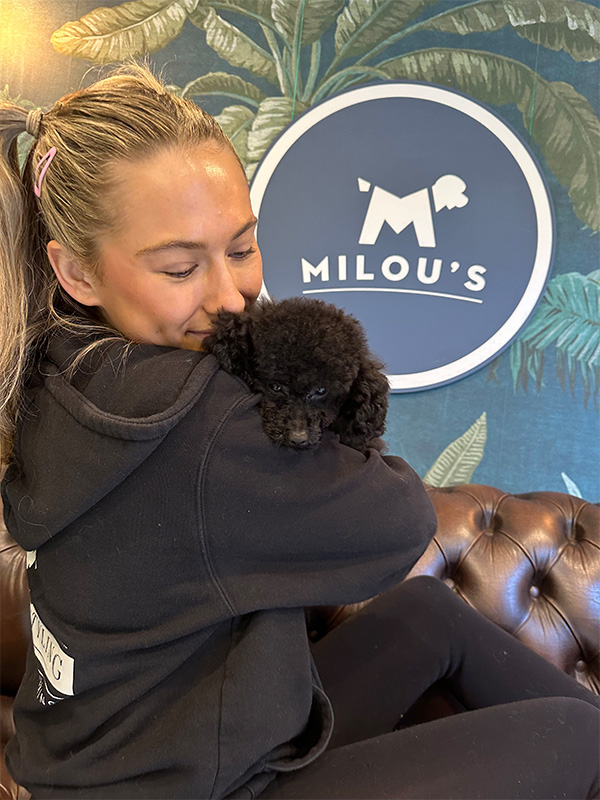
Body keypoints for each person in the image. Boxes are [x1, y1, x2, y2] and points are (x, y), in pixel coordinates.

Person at [0, 62, 597, 800]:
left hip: (108, 762)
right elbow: (396, 522)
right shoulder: (195, 419)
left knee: (429, 615)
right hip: (192, 788)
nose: (230, 296)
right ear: (78, 273)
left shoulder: (53, 369)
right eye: (182, 266)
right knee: (579, 739)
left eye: (243, 247)